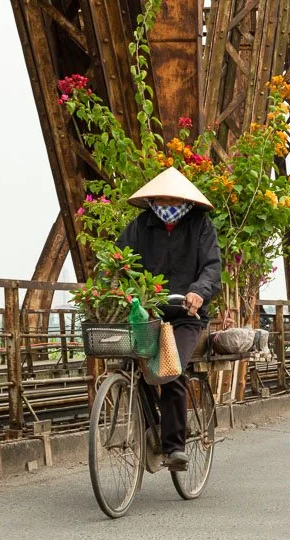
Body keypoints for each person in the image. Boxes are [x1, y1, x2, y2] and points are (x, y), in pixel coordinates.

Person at [116, 167, 221, 471]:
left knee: (171, 368)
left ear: (184, 201)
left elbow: (212, 267)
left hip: (186, 315)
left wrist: (198, 292)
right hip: (149, 313)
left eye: (172, 200)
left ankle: (174, 446)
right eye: (160, 200)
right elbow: (119, 260)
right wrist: (111, 287)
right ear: (152, 201)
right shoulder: (141, 225)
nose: (166, 206)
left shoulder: (200, 225)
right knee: (135, 365)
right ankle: (152, 427)